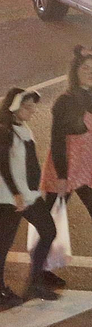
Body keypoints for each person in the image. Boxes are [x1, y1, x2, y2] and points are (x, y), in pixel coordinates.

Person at [0, 88, 59, 306]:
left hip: (28, 193)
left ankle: (34, 282)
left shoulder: (23, 128)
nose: (32, 110)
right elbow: (2, 165)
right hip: (9, 196)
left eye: (33, 106)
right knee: (4, 241)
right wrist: (16, 193)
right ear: (13, 106)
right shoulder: (3, 130)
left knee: (48, 230)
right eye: (27, 106)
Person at [45, 47, 92, 231]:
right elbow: (57, 140)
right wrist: (62, 176)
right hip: (65, 165)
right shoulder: (64, 101)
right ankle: (40, 257)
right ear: (75, 72)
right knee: (50, 218)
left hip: (85, 167)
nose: (90, 73)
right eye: (85, 68)